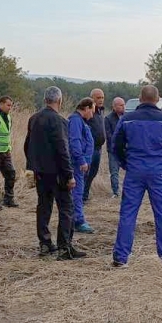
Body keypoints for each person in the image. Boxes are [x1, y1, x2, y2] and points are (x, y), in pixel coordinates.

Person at [111, 85, 162, 267]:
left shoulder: (127, 119)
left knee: (128, 213)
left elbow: (116, 146)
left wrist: (125, 164)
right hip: (158, 171)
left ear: (140, 99)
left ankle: (121, 257)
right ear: (157, 99)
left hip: (134, 170)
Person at [24, 86, 86, 260]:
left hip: (41, 173)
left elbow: (27, 145)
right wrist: (69, 175)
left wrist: (34, 166)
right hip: (58, 173)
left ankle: (45, 244)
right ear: (60, 100)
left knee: (43, 207)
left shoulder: (34, 119)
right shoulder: (59, 121)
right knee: (66, 208)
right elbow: (62, 150)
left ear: (45, 100)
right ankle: (64, 247)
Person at [68, 98, 96, 233]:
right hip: (77, 164)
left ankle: (76, 219)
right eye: (92, 111)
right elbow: (75, 142)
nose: (92, 115)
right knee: (77, 193)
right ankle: (78, 221)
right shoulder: (75, 121)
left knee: (79, 191)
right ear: (86, 108)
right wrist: (81, 160)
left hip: (81, 164)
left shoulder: (81, 121)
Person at [83, 88, 106, 203]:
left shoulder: (100, 111)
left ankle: (85, 194)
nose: (101, 100)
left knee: (93, 172)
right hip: (89, 149)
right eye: (98, 98)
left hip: (98, 148)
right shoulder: (87, 111)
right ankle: (82, 196)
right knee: (85, 173)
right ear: (92, 98)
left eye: (102, 97)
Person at [105, 97, 126, 198]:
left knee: (130, 169)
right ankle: (116, 192)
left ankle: (128, 190)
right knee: (114, 171)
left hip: (126, 149)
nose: (123, 107)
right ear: (114, 106)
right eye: (120, 105)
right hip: (113, 149)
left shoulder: (127, 117)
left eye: (123, 105)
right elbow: (109, 136)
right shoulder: (108, 119)